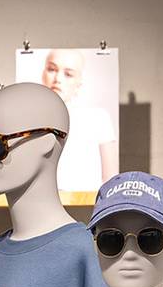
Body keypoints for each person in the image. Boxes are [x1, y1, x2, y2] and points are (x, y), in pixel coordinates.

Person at [39, 49, 118, 188]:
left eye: (68, 74)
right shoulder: (26, 118)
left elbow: (110, 180)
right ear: (43, 74)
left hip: (86, 205)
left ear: (79, 82)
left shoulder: (97, 119)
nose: (58, 79)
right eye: (52, 69)